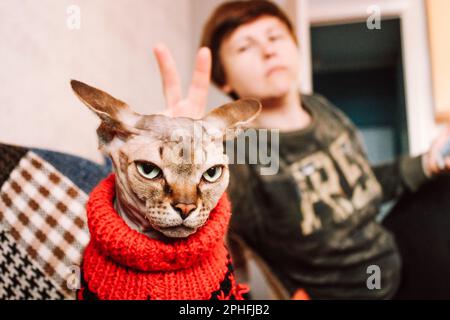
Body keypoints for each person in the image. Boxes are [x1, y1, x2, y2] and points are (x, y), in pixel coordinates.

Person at [154, 0, 450, 299]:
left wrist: (427, 163)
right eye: (245, 47)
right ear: (224, 78)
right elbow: (200, 234)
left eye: (275, 37)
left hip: (395, 259)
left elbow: (363, 185)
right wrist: (179, 162)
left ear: (294, 46)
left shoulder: (320, 109)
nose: (268, 50)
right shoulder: (244, 148)